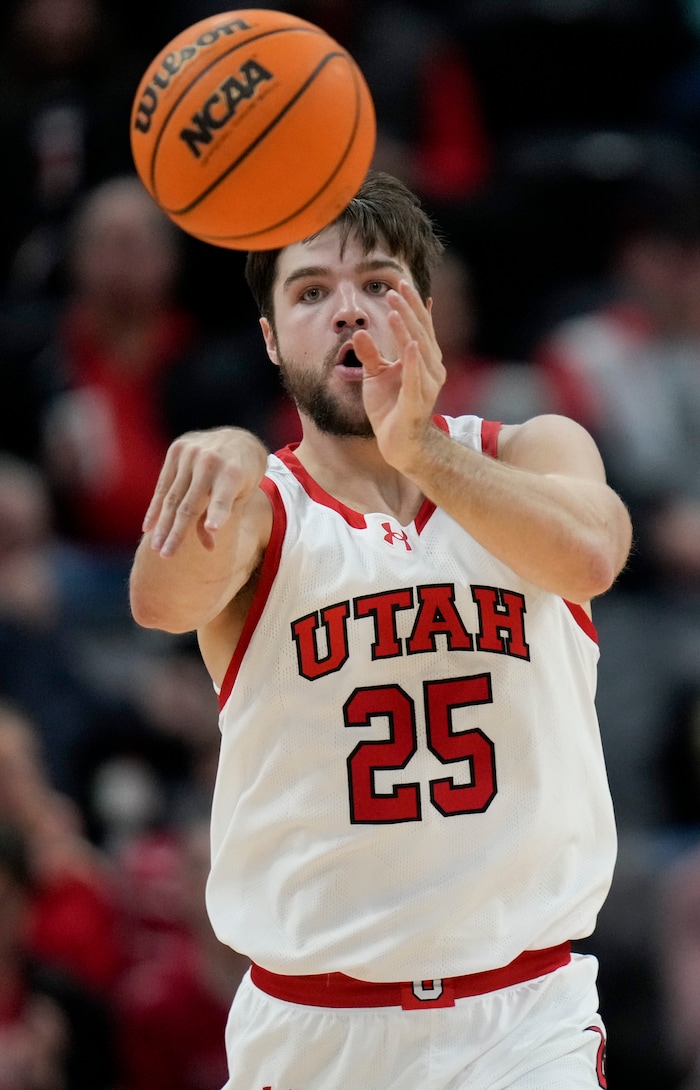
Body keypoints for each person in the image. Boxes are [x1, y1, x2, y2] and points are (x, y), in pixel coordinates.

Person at [129, 171, 632, 1090]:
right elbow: (162, 600)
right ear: (273, 340)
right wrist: (230, 456)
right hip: (317, 1033)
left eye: (377, 287)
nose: (349, 314)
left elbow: (591, 557)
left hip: (524, 1020)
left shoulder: (533, 450)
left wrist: (422, 452)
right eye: (313, 292)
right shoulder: (262, 510)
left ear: (430, 314)